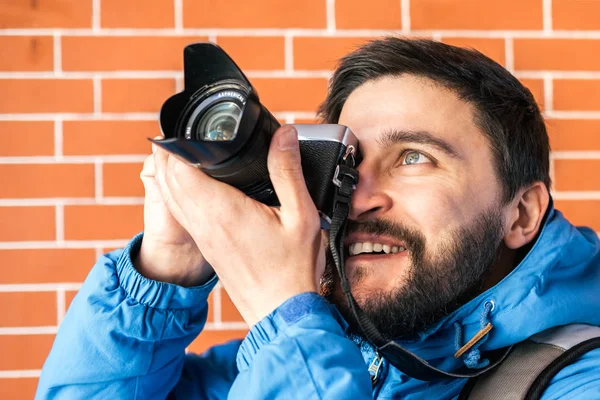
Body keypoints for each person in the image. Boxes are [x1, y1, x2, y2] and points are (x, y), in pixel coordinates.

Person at [36, 38, 600, 399]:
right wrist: (165, 271)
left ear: (521, 213)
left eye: (413, 158)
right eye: (349, 166)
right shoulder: (296, 352)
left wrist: (283, 314)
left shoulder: (576, 378)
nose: (357, 199)